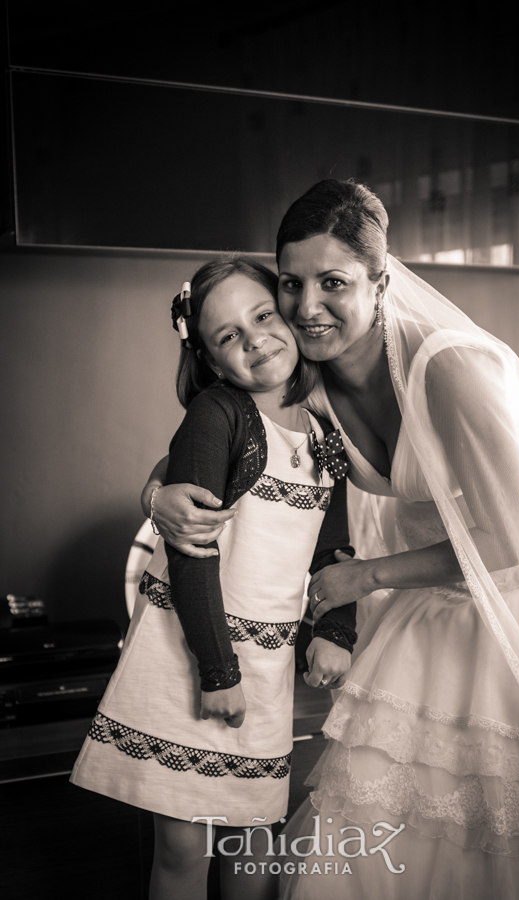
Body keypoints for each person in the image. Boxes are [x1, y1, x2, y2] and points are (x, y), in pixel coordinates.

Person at [143, 181, 519, 898]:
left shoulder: (452, 368)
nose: (306, 307)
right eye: (290, 284)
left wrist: (362, 579)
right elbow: (210, 442)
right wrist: (155, 494)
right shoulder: (307, 375)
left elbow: (508, 541)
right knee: (391, 805)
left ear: (380, 282)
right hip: (428, 587)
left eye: (334, 283)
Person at [71, 257, 358, 900]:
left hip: (263, 667)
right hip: (194, 654)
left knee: (252, 839)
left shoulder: (323, 429)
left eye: (262, 316)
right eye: (229, 335)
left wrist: (335, 628)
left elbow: (334, 545)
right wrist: (217, 671)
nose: (254, 338)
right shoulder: (219, 414)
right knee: (184, 845)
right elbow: (193, 551)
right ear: (210, 360)